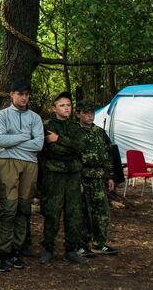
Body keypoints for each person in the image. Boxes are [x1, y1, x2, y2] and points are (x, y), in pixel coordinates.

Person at [0, 78, 43, 270]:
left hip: (30, 164)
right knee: (9, 208)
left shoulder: (35, 118)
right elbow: (1, 140)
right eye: (20, 94)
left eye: (27, 95)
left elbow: (38, 144)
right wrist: (25, 137)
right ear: (12, 95)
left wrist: (14, 141)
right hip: (7, 163)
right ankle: (2, 253)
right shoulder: (2, 115)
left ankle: (16, 251)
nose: (24, 98)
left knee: (24, 208)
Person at [38, 91, 87, 265]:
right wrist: (67, 147)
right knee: (52, 211)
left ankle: (71, 250)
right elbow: (51, 150)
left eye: (68, 105)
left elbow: (81, 146)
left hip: (73, 175)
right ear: (54, 108)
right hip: (54, 174)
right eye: (62, 105)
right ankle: (48, 248)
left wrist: (59, 139)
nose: (66, 108)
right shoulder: (47, 125)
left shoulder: (75, 127)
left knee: (74, 213)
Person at [76, 103, 119, 256]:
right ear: (79, 114)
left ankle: (99, 243)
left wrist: (110, 176)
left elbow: (108, 155)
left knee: (102, 211)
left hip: (98, 178)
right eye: (86, 113)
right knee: (82, 213)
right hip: (82, 177)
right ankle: (81, 244)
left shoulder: (99, 132)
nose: (90, 116)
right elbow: (73, 157)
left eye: (92, 113)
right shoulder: (75, 132)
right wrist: (77, 180)